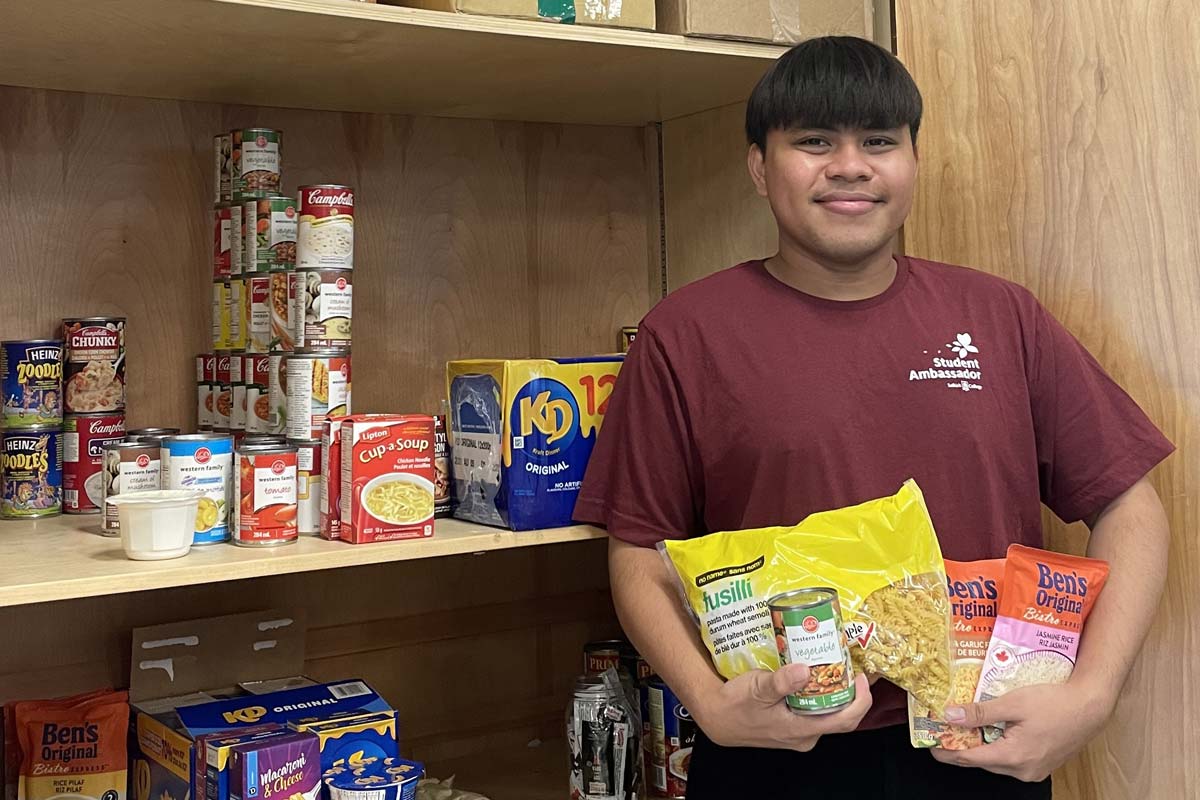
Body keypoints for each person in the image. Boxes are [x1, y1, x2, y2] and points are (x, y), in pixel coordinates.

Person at [574, 35, 1173, 799]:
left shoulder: (1000, 315)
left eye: (879, 142)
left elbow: (1130, 504)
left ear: (913, 163)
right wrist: (710, 704)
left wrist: (1094, 694)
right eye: (814, 141)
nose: (850, 165)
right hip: (778, 748)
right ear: (761, 167)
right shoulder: (686, 333)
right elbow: (639, 552)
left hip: (981, 742)